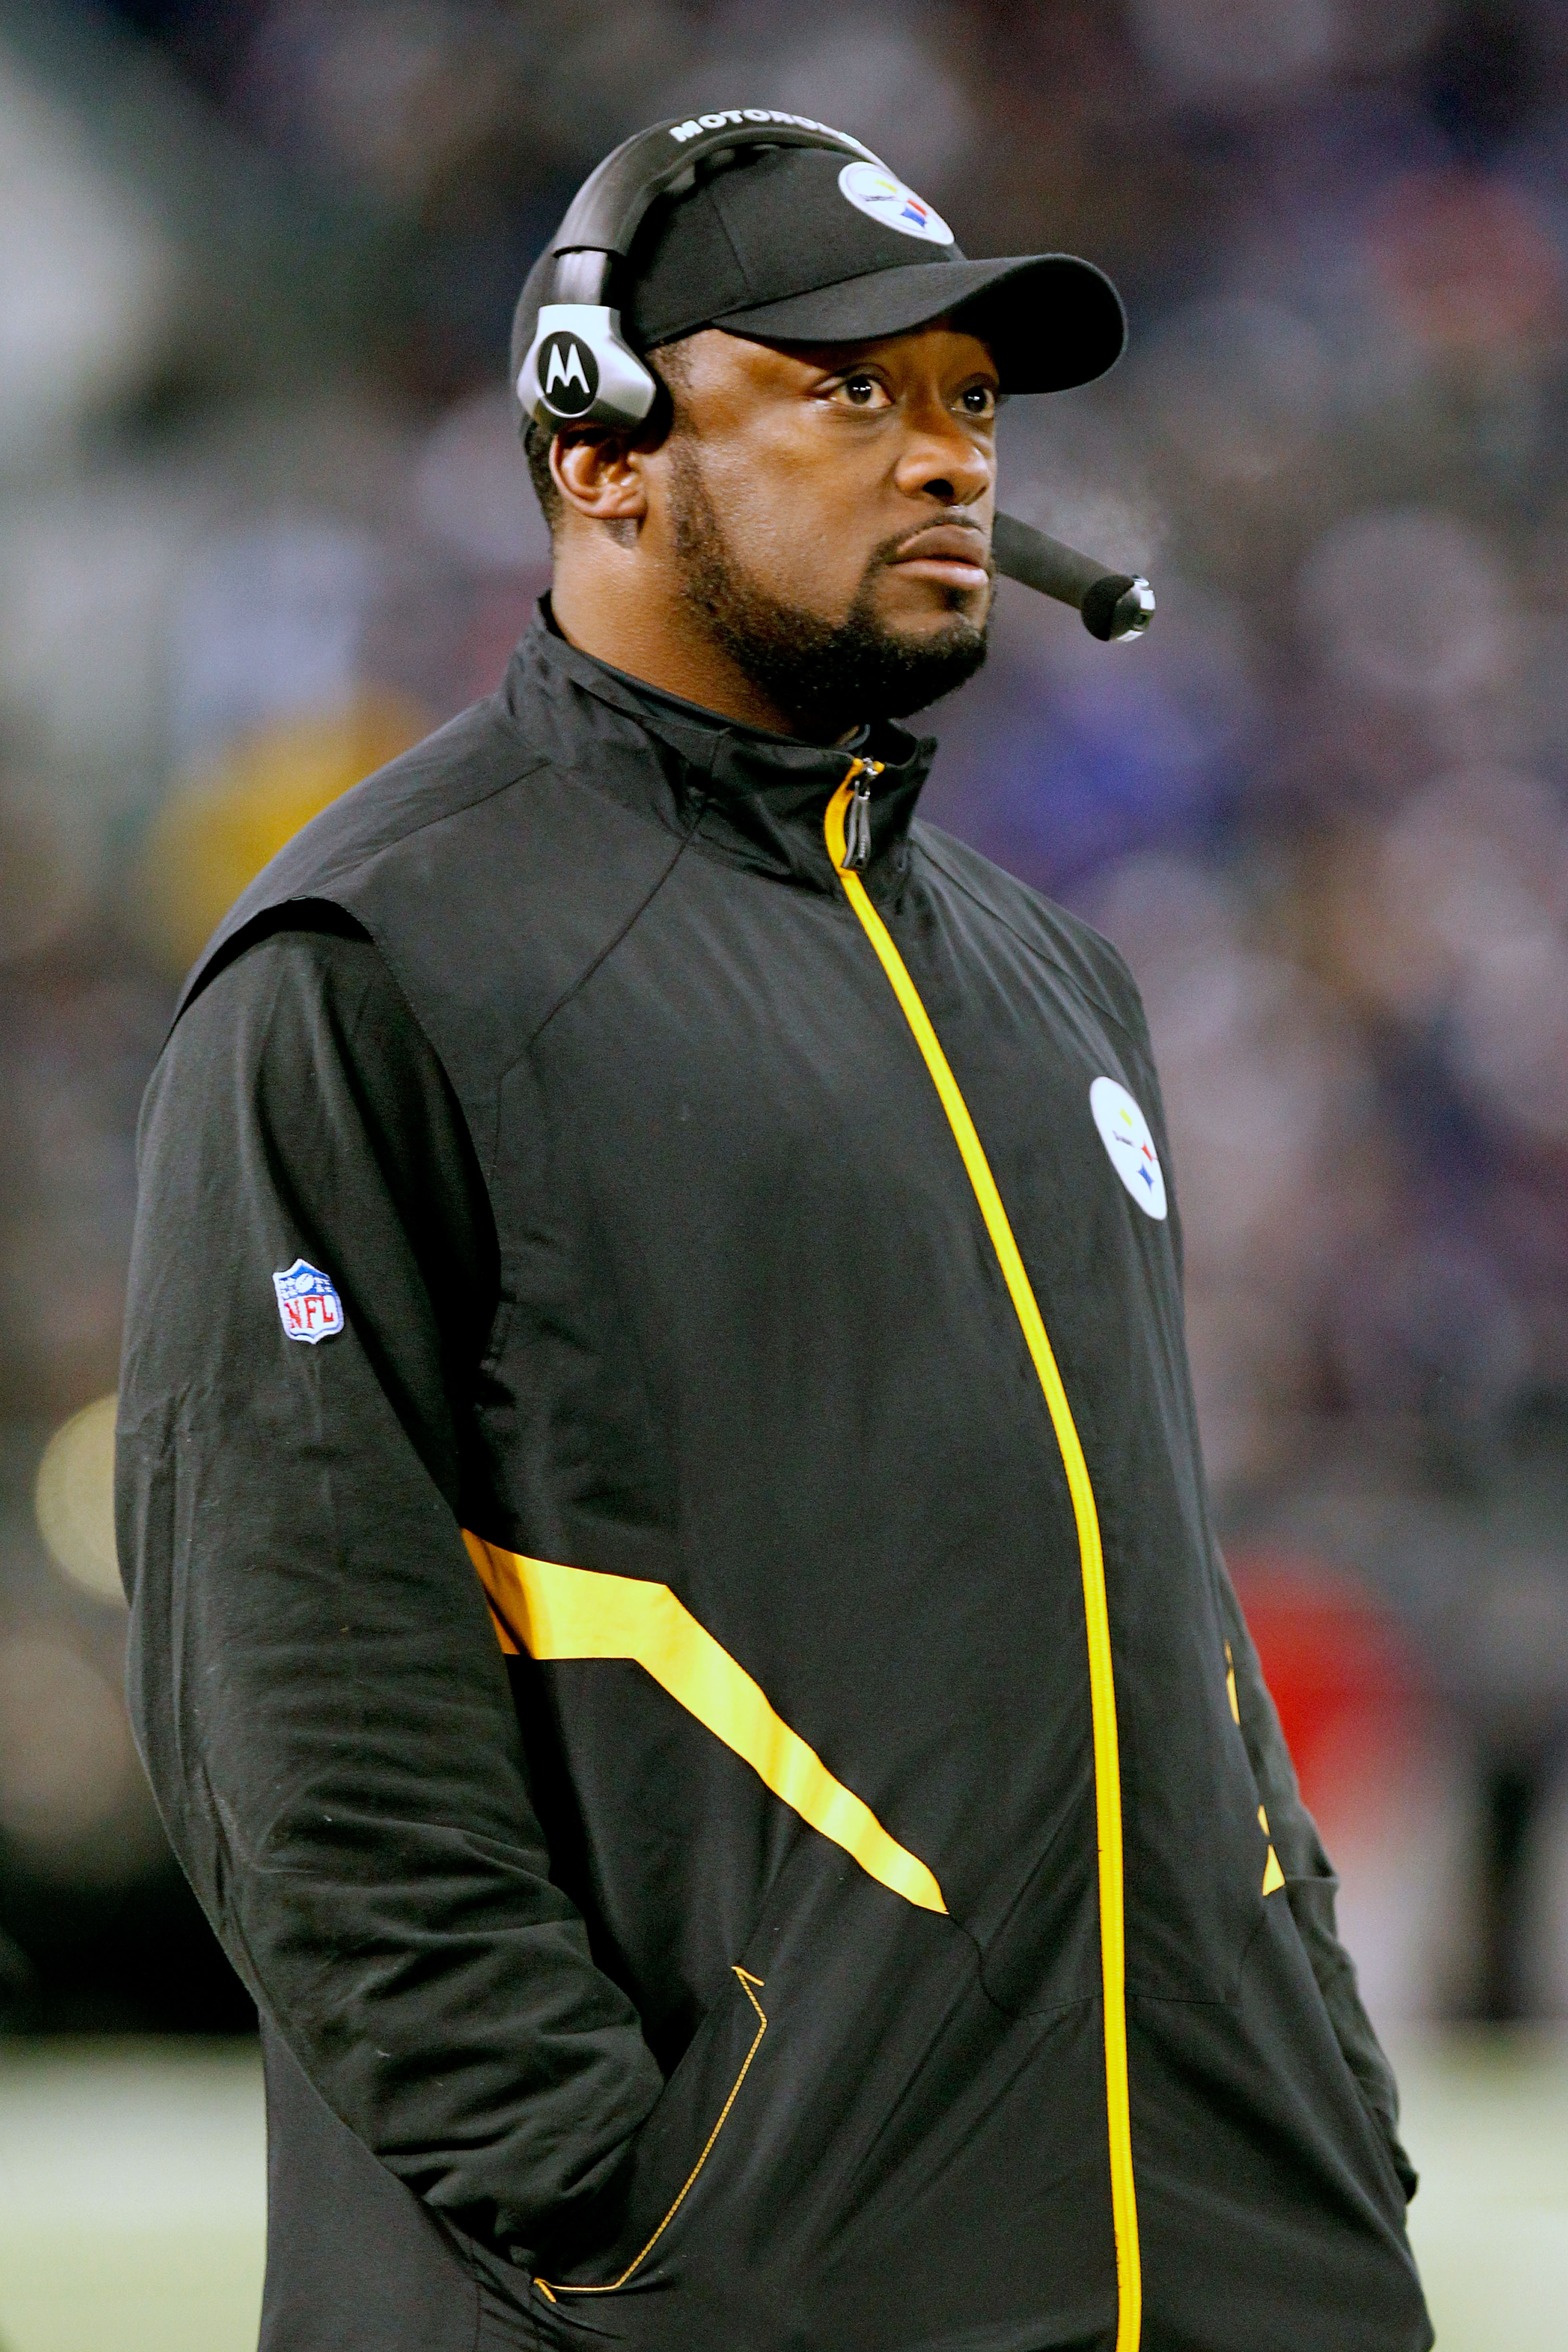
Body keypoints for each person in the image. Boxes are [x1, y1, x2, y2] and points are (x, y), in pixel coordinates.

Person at [117, 120, 1432, 2352]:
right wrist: (623, 2212)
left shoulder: (1054, 985)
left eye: (972, 401)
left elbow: (1160, 1614)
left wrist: (1316, 2083)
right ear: (598, 445)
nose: (946, 461)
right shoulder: (378, 965)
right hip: (722, 2295)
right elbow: (301, 1713)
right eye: (851, 391)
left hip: (1224, 2263)